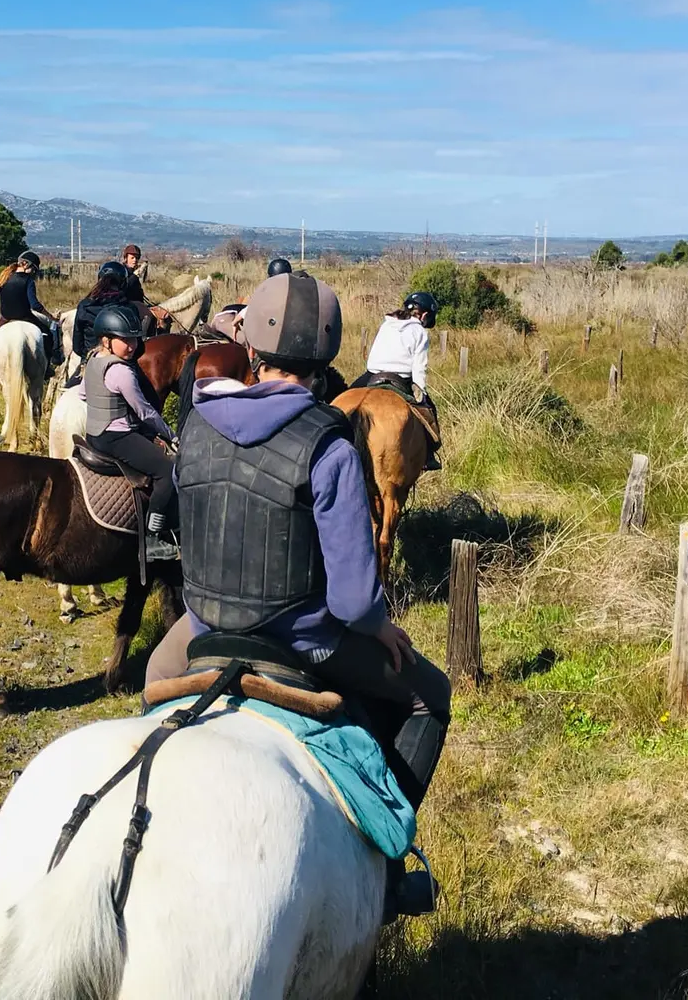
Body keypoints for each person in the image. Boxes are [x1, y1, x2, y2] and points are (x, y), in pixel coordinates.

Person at [146, 271, 450, 918]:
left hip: (204, 627)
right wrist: (381, 627)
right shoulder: (328, 446)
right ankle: (387, 861)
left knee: (152, 679)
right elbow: (354, 603)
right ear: (326, 356)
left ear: (251, 347)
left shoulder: (196, 425)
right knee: (430, 695)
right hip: (300, 638)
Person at [79, 305, 177, 542]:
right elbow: (145, 413)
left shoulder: (94, 361)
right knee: (167, 471)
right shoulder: (122, 371)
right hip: (117, 438)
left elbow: (83, 394)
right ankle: (154, 537)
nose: (132, 346)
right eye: (125, 340)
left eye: (134, 339)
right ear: (106, 340)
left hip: (94, 434)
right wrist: (172, 435)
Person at [352, 291, 442, 470]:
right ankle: (428, 455)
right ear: (424, 315)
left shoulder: (387, 324)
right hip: (401, 379)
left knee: (342, 399)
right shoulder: (420, 332)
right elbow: (419, 368)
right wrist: (421, 392)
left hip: (372, 374)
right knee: (429, 412)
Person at [0, 251, 61, 365]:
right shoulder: (28, 280)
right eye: (33, 269)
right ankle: (49, 364)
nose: (33, 272)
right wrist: (50, 316)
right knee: (48, 334)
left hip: (6, 317)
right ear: (26, 264)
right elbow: (35, 305)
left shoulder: (4, 277)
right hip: (24, 316)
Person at [72, 261, 131, 367]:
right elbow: (137, 345)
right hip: (122, 363)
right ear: (123, 283)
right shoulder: (128, 307)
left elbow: (77, 346)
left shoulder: (84, 305)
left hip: (91, 363)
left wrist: (88, 356)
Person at [121, 244, 170, 333]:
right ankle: (142, 337)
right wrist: (135, 275)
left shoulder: (132, 272)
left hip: (137, 303)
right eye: (132, 258)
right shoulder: (122, 271)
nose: (135, 260)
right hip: (126, 304)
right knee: (148, 315)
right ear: (126, 258)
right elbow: (124, 286)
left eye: (137, 258)